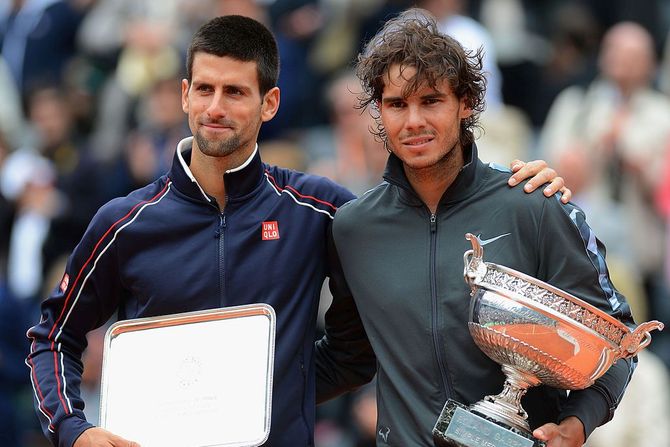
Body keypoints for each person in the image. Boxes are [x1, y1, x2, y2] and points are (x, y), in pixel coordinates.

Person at [25, 14, 568, 447]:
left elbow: (382, 303)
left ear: (270, 103)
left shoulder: (321, 210)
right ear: (185, 93)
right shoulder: (124, 222)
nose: (216, 108)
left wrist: (516, 188)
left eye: (236, 92)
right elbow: (53, 337)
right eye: (206, 89)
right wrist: (75, 429)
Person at [315, 8, 637, 447]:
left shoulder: (533, 206)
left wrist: (577, 423)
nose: (413, 123)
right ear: (379, 111)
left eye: (431, 100)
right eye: (396, 104)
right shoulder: (353, 228)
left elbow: (617, 341)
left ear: (465, 103)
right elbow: (346, 358)